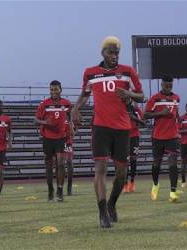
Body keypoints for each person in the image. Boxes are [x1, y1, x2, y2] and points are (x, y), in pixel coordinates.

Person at [71, 36, 144, 228]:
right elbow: (85, 95)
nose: (115, 56)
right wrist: (75, 108)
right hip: (101, 127)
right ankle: (102, 212)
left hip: (122, 128)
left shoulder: (128, 72)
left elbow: (141, 96)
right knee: (100, 169)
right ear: (103, 53)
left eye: (117, 53)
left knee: (122, 173)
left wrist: (128, 94)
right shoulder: (90, 73)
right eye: (111, 52)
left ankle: (112, 204)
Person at [144, 74, 180, 203]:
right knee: (156, 164)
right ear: (161, 84)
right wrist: (161, 113)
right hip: (158, 136)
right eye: (166, 85)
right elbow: (145, 115)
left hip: (172, 136)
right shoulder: (155, 99)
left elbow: (176, 113)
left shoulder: (176, 98)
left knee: (172, 162)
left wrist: (178, 126)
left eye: (170, 85)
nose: (168, 87)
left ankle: (173, 192)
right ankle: (155, 184)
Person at [35, 80, 71, 202]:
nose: (53, 92)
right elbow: (36, 119)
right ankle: (50, 189)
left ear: (61, 90)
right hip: (48, 138)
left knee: (61, 163)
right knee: (49, 166)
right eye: (51, 90)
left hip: (61, 138)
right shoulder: (44, 104)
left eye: (55, 89)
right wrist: (45, 122)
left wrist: (72, 126)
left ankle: (60, 190)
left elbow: (71, 116)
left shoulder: (66, 104)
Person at [0, 100, 12, 203]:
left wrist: (10, 142)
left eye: (0, 105)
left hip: (1, 149)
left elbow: (9, 132)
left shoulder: (7, 119)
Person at [123, 101, 145, 193]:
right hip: (124, 137)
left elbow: (142, 123)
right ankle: (125, 184)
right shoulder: (122, 109)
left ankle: (132, 181)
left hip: (135, 137)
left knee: (133, 160)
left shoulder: (137, 111)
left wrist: (136, 120)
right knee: (124, 161)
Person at [64, 118, 75, 195]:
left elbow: (73, 134)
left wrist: (72, 126)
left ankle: (69, 188)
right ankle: (59, 187)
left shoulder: (69, 119)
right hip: (57, 141)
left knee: (69, 162)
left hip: (67, 143)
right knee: (59, 164)